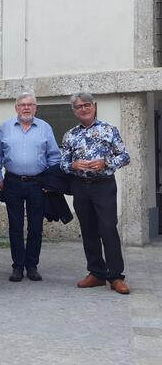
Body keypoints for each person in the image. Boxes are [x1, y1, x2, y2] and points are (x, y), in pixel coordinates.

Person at [61, 92, 131, 294]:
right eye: (79, 106)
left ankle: (116, 276)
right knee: (89, 230)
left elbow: (124, 156)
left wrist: (106, 162)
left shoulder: (109, 130)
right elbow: (63, 163)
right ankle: (96, 273)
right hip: (80, 186)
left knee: (108, 229)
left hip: (103, 185)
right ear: (74, 111)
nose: (83, 109)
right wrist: (73, 164)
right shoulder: (70, 135)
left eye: (87, 105)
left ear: (94, 106)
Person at [0, 93, 61, 282]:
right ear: (16, 108)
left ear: (35, 108)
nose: (26, 108)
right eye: (22, 105)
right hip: (13, 182)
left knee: (36, 227)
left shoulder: (44, 127)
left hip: (37, 184)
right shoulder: (6, 127)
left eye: (30, 105)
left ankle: (32, 266)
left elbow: (54, 157)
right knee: (15, 226)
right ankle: (17, 266)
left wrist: (50, 182)